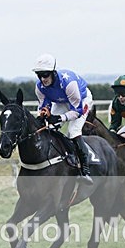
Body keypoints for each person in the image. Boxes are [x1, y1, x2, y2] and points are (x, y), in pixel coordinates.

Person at [32, 53, 93, 184]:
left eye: (45, 74)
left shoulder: (69, 83)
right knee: (50, 128)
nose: (43, 79)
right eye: (39, 75)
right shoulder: (39, 87)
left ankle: (85, 170)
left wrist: (59, 118)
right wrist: (41, 116)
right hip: (61, 101)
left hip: (81, 100)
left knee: (73, 131)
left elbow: (76, 112)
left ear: (53, 72)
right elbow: (43, 106)